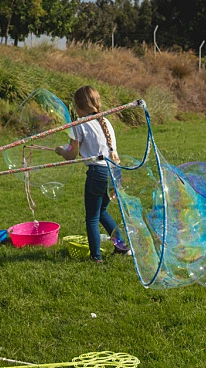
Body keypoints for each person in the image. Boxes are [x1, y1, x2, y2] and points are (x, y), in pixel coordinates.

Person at [55, 86, 130, 263]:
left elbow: (71, 154)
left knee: (92, 217)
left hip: (98, 172)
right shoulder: (105, 121)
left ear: (77, 106)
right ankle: (122, 247)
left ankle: (96, 257)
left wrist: (60, 150)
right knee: (102, 211)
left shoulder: (79, 124)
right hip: (114, 171)